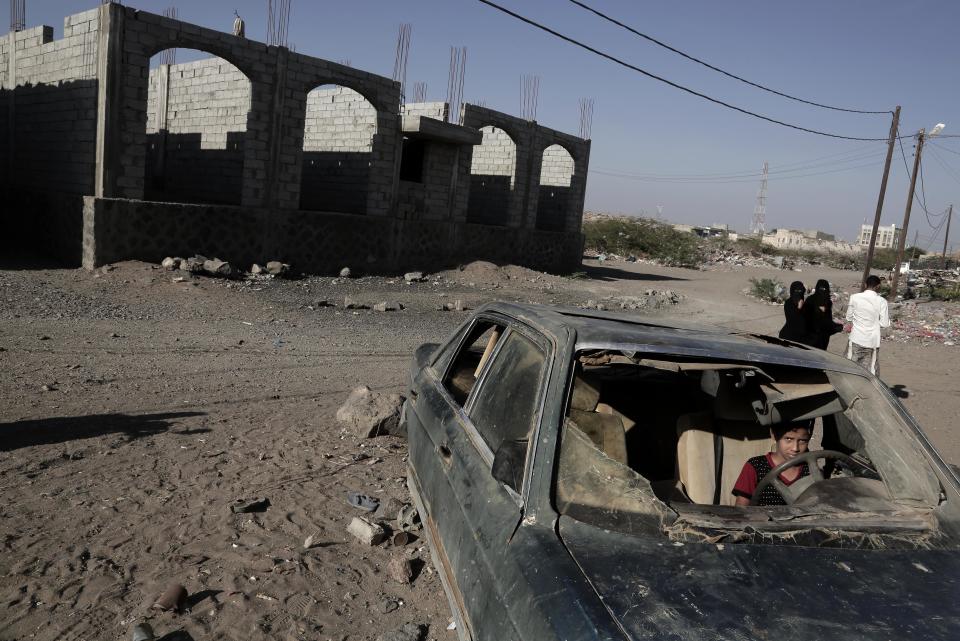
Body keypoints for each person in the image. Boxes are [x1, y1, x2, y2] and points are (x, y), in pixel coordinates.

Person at [732, 422, 812, 506]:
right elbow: (741, 508)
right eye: (788, 439)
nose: (795, 448)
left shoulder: (811, 469)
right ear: (774, 435)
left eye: (802, 441)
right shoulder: (756, 466)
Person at [844, 274, 891, 376]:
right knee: (870, 372)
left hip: (856, 338)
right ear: (878, 286)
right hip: (872, 341)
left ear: (865, 285)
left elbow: (848, 317)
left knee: (849, 367)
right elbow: (884, 323)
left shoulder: (854, 297)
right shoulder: (882, 301)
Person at [803, 279, 843, 350]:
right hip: (812, 338)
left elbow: (827, 322)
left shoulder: (826, 302)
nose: (822, 292)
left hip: (818, 339)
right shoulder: (811, 301)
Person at [778, 281, 815, 345]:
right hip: (788, 337)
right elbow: (793, 319)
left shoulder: (806, 305)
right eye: (796, 291)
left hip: (803, 340)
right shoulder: (789, 303)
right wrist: (799, 307)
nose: (799, 293)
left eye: (801, 290)